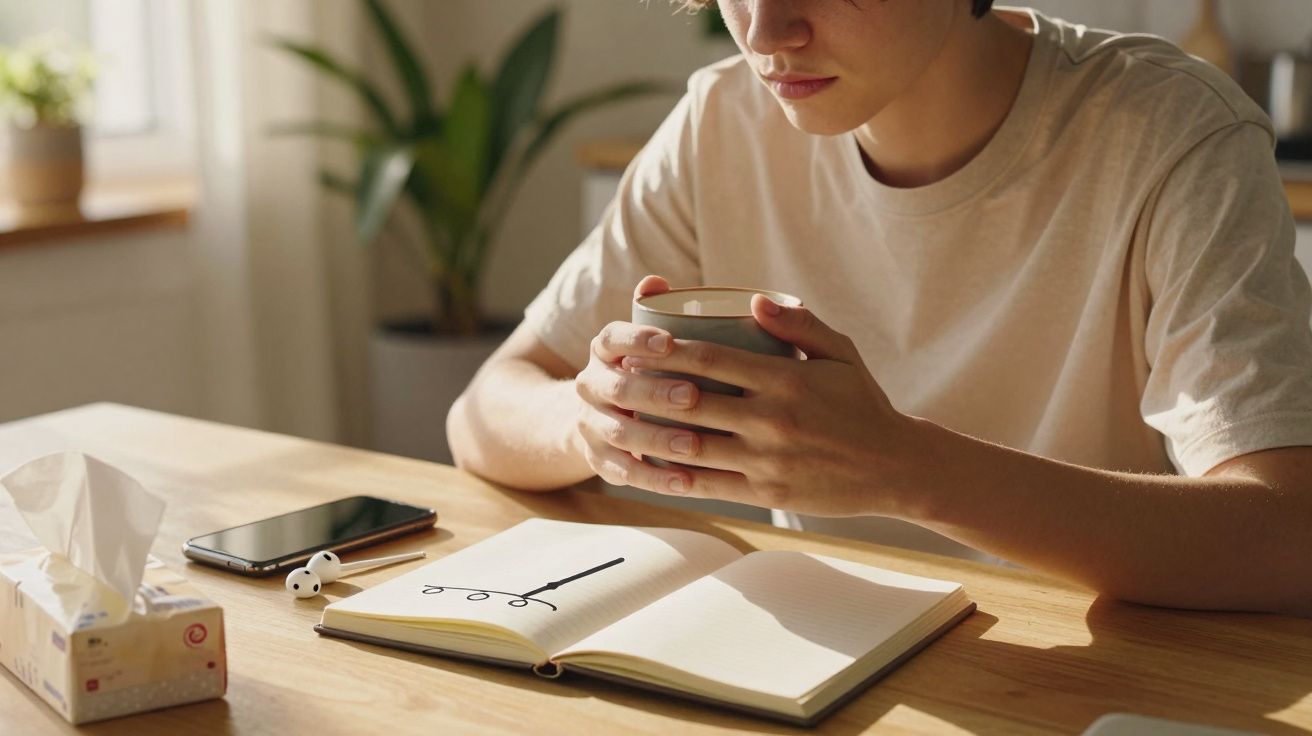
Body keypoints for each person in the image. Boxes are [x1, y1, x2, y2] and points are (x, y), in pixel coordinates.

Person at [447, 0, 1312, 617]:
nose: (765, 30)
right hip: (828, 662)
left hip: (1089, 683)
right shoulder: (724, 121)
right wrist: (592, 423)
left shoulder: (1167, 133)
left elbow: (1287, 533)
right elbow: (489, 406)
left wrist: (907, 470)